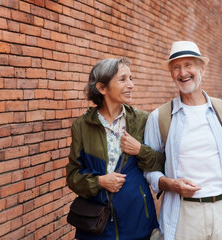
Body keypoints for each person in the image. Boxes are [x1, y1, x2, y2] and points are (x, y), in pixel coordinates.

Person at [144, 41, 222, 240]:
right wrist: (170, 184)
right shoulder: (159, 117)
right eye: (176, 67)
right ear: (171, 73)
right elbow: (149, 169)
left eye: (188, 65)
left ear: (202, 68)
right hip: (183, 215)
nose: (182, 72)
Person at [66, 58, 164, 240]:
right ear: (102, 88)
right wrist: (100, 181)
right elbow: (73, 176)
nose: (131, 85)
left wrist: (140, 150)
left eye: (131, 78)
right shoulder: (82, 126)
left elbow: (161, 162)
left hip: (137, 221)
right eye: (123, 79)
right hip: (97, 225)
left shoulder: (142, 120)